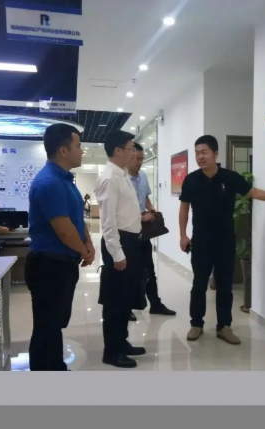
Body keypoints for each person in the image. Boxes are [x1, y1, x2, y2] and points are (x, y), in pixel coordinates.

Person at [179, 135, 265, 345]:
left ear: (215, 153)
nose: (200, 157)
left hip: (225, 241)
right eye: (197, 153)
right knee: (199, 284)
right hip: (201, 241)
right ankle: (196, 324)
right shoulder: (191, 180)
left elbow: (252, 192)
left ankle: (224, 326)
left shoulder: (230, 177)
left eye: (203, 152)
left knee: (224, 285)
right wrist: (183, 235)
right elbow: (184, 208)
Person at [25, 123, 95, 371]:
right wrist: (84, 251)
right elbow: (63, 229)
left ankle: (55, 367)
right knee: (47, 326)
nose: (82, 151)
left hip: (61, 264)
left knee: (54, 324)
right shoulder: (49, 182)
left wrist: (88, 242)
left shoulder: (65, 179)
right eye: (78, 146)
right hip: (49, 265)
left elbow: (76, 217)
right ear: (63, 150)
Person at [95, 130, 146, 368]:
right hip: (120, 243)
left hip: (130, 242)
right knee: (115, 301)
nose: (133, 153)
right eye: (130, 148)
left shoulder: (122, 174)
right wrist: (117, 253)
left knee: (126, 298)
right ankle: (111, 351)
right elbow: (108, 223)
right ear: (118, 150)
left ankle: (121, 342)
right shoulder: (110, 178)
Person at [127, 142, 176, 319]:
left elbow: (145, 196)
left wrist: (150, 207)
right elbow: (120, 209)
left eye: (141, 159)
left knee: (149, 269)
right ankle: (127, 307)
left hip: (144, 232)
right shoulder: (121, 179)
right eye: (136, 158)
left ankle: (155, 304)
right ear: (129, 156)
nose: (139, 162)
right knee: (129, 271)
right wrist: (141, 217)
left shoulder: (143, 176)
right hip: (127, 232)